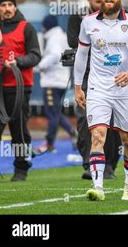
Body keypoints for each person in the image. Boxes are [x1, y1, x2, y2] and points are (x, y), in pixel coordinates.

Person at [74, 0, 128, 201]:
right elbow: (81, 55)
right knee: (98, 135)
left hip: (126, 88)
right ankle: (98, 188)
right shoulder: (88, 22)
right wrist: (78, 86)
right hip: (98, 87)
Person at [67, 0, 122, 180]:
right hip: (87, 77)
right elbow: (74, 42)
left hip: (113, 77)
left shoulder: (119, 19)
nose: (103, 3)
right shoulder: (80, 18)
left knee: (113, 124)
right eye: (98, 0)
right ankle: (89, 163)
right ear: (90, 0)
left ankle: (109, 165)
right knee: (85, 122)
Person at [0, 0, 41, 181]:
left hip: (19, 87)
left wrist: (18, 62)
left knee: (18, 128)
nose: (7, 9)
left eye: (10, 5)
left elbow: (35, 55)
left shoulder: (26, 27)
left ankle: (21, 168)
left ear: (15, 7)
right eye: (3, 5)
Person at [34, 15, 77, 154]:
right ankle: (72, 132)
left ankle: (49, 143)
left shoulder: (53, 38)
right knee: (56, 112)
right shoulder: (62, 36)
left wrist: (40, 66)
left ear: (46, 26)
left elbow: (54, 55)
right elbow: (68, 57)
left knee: (52, 114)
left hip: (52, 81)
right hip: (61, 80)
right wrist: (61, 69)